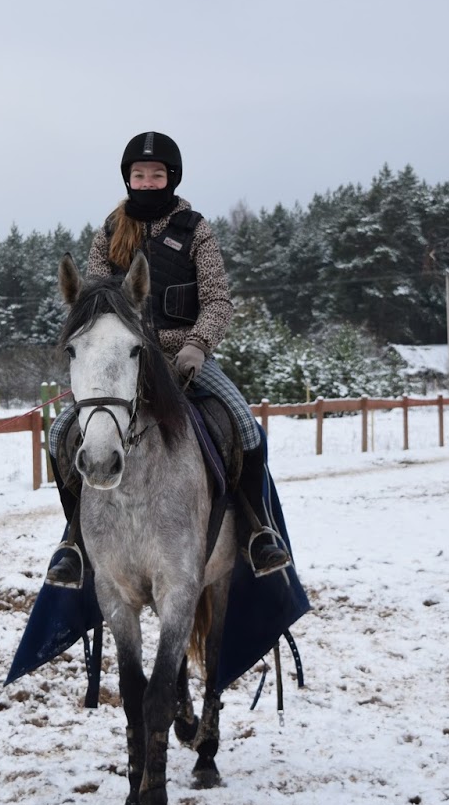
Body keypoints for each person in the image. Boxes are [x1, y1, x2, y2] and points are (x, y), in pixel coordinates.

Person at [46, 130, 292, 587]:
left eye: (156, 174)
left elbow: (219, 300)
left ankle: (258, 531)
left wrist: (197, 345)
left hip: (185, 357)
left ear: (171, 178)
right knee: (61, 432)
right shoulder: (109, 231)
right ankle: (75, 540)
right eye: (139, 174)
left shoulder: (196, 230)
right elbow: (97, 300)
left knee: (245, 426)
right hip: (127, 361)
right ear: (128, 178)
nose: (147, 181)